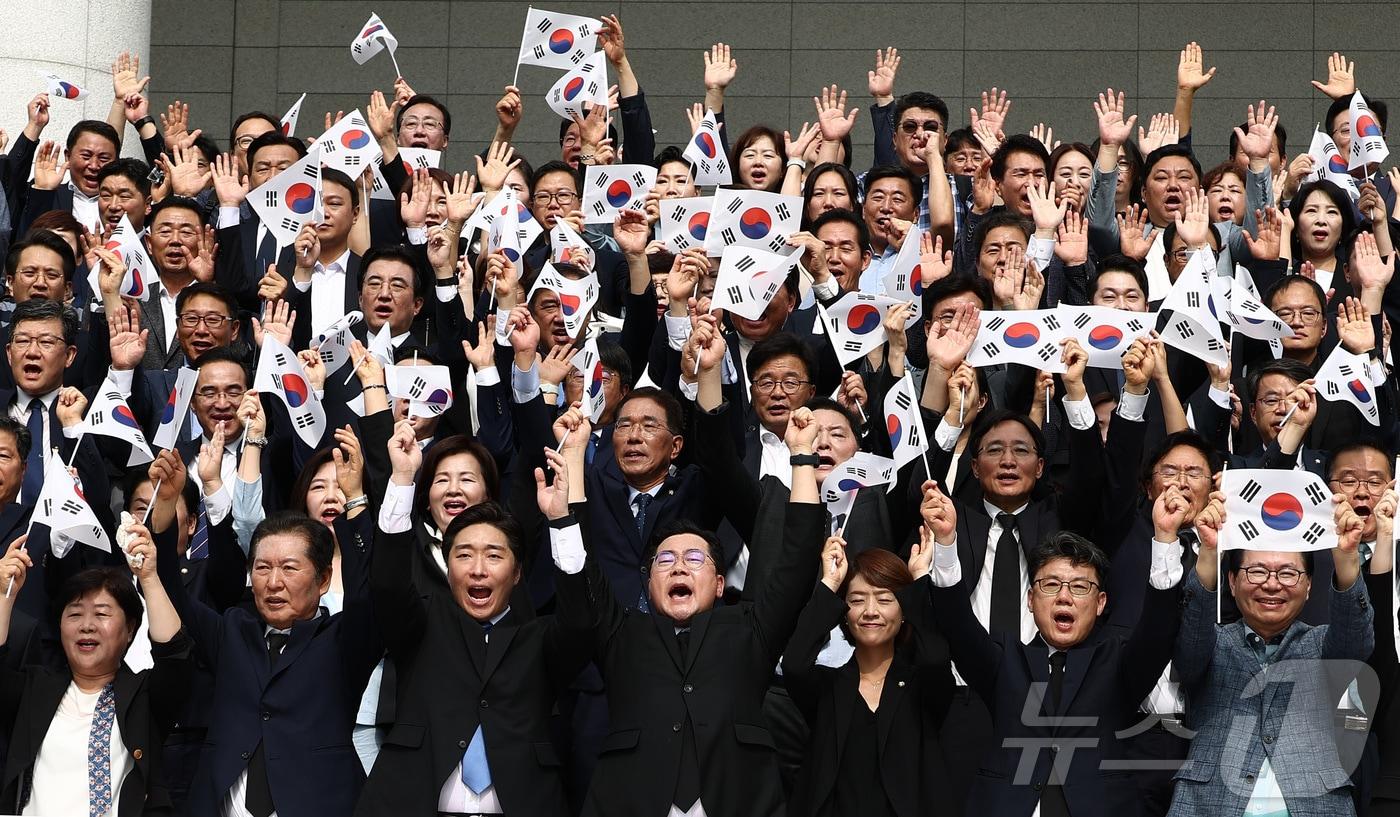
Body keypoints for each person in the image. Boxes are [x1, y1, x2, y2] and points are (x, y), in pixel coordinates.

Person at [550, 405, 825, 817]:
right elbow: (580, 565)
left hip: (737, 801)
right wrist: (573, 460)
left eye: (694, 559)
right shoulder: (620, 633)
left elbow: (798, 558)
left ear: (719, 584)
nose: (678, 565)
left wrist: (801, 456)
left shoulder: (751, 629)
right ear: (649, 584)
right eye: (665, 560)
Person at [356, 421, 592, 816]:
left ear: (517, 574)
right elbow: (388, 585)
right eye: (463, 555)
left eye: (494, 556)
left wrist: (561, 520)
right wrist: (401, 477)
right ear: (447, 569)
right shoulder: (421, 625)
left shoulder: (539, 639)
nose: (478, 569)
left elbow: (582, 621)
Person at [927, 480, 1186, 817]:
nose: (1064, 596)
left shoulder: (1117, 662)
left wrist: (1165, 537)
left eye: (1080, 586)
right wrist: (947, 542)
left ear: (1100, 603)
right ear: (1031, 600)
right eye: (1051, 585)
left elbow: (1158, 631)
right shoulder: (1005, 660)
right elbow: (957, 626)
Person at [149, 440, 380, 817]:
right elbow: (169, 587)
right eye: (262, 568)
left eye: (289, 568)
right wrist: (165, 505)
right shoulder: (232, 632)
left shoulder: (344, 640)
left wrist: (354, 500)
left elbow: (366, 591)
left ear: (323, 580)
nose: (273, 582)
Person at [1168, 486, 1374, 816]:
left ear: (1308, 587)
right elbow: (1190, 644)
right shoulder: (1212, 643)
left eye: (1289, 572)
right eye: (1257, 570)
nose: (1272, 584)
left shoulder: (1322, 644)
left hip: (1315, 805)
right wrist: (1208, 551)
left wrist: (1347, 557)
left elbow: (1356, 641)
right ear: (1232, 582)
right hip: (1210, 804)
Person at [0, 521, 191, 816]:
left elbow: (176, 657)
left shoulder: (143, 697)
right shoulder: (34, 689)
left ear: (129, 630)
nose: (87, 626)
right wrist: (4, 596)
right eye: (74, 614)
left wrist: (149, 578)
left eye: (102, 614)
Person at [783, 529, 954, 817]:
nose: (870, 611)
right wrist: (830, 583)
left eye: (885, 600)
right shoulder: (829, 687)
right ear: (844, 614)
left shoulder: (920, 686)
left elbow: (937, 659)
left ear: (904, 612)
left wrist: (919, 580)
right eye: (858, 600)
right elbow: (795, 664)